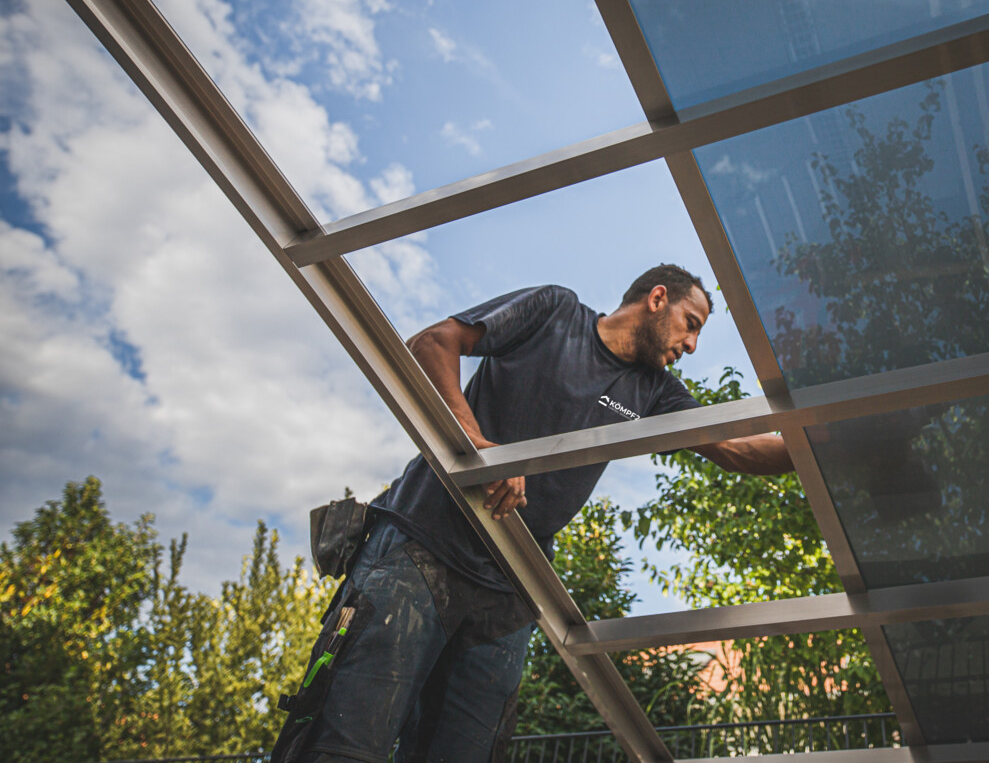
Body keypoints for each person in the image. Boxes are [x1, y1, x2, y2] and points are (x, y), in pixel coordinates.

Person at [288, 264, 791, 763]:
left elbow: (737, 449)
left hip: (510, 589)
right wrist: (477, 450)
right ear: (657, 299)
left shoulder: (655, 390)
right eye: (691, 324)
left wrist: (828, 434)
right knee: (343, 743)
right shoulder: (555, 313)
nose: (692, 345)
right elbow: (433, 343)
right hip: (423, 546)